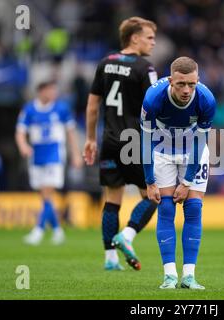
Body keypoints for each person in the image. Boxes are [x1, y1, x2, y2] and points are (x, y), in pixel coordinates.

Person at [83, 17, 159, 271]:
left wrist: (91, 138)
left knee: (112, 201)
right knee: (153, 196)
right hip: (134, 140)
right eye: (149, 37)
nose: (153, 42)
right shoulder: (145, 68)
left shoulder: (105, 63)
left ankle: (110, 259)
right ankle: (126, 236)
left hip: (109, 140)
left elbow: (93, 106)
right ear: (134, 38)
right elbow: (155, 106)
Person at [141, 57, 216, 289]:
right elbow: (143, 141)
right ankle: (169, 275)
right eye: (181, 84)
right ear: (171, 80)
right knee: (165, 207)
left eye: (191, 84)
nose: (186, 90)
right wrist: (149, 181)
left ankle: (189, 276)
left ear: (198, 81)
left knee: (193, 207)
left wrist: (186, 181)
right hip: (162, 151)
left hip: (194, 150)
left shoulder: (207, 100)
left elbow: (201, 142)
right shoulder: (153, 98)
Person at [16, 80, 82, 245]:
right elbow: (20, 132)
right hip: (36, 155)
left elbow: (71, 132)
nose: (53, 93)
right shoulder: (29, 110)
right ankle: (58, 230)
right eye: (50, 90)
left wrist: (75, 154)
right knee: (45, 196)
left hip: (55, 155)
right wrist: (23, 146)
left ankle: (38, 230)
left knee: (48, 192)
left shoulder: (61, 109)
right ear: (41, 91)